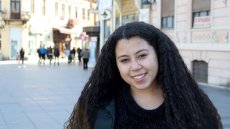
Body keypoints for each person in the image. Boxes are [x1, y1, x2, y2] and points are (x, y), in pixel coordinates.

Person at [65, 22, 222, 129]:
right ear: (116, 64)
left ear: (158, 54)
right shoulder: (99, 106)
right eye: (124, 60)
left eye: (142, 56)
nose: (135, 67)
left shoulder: (190, 102)